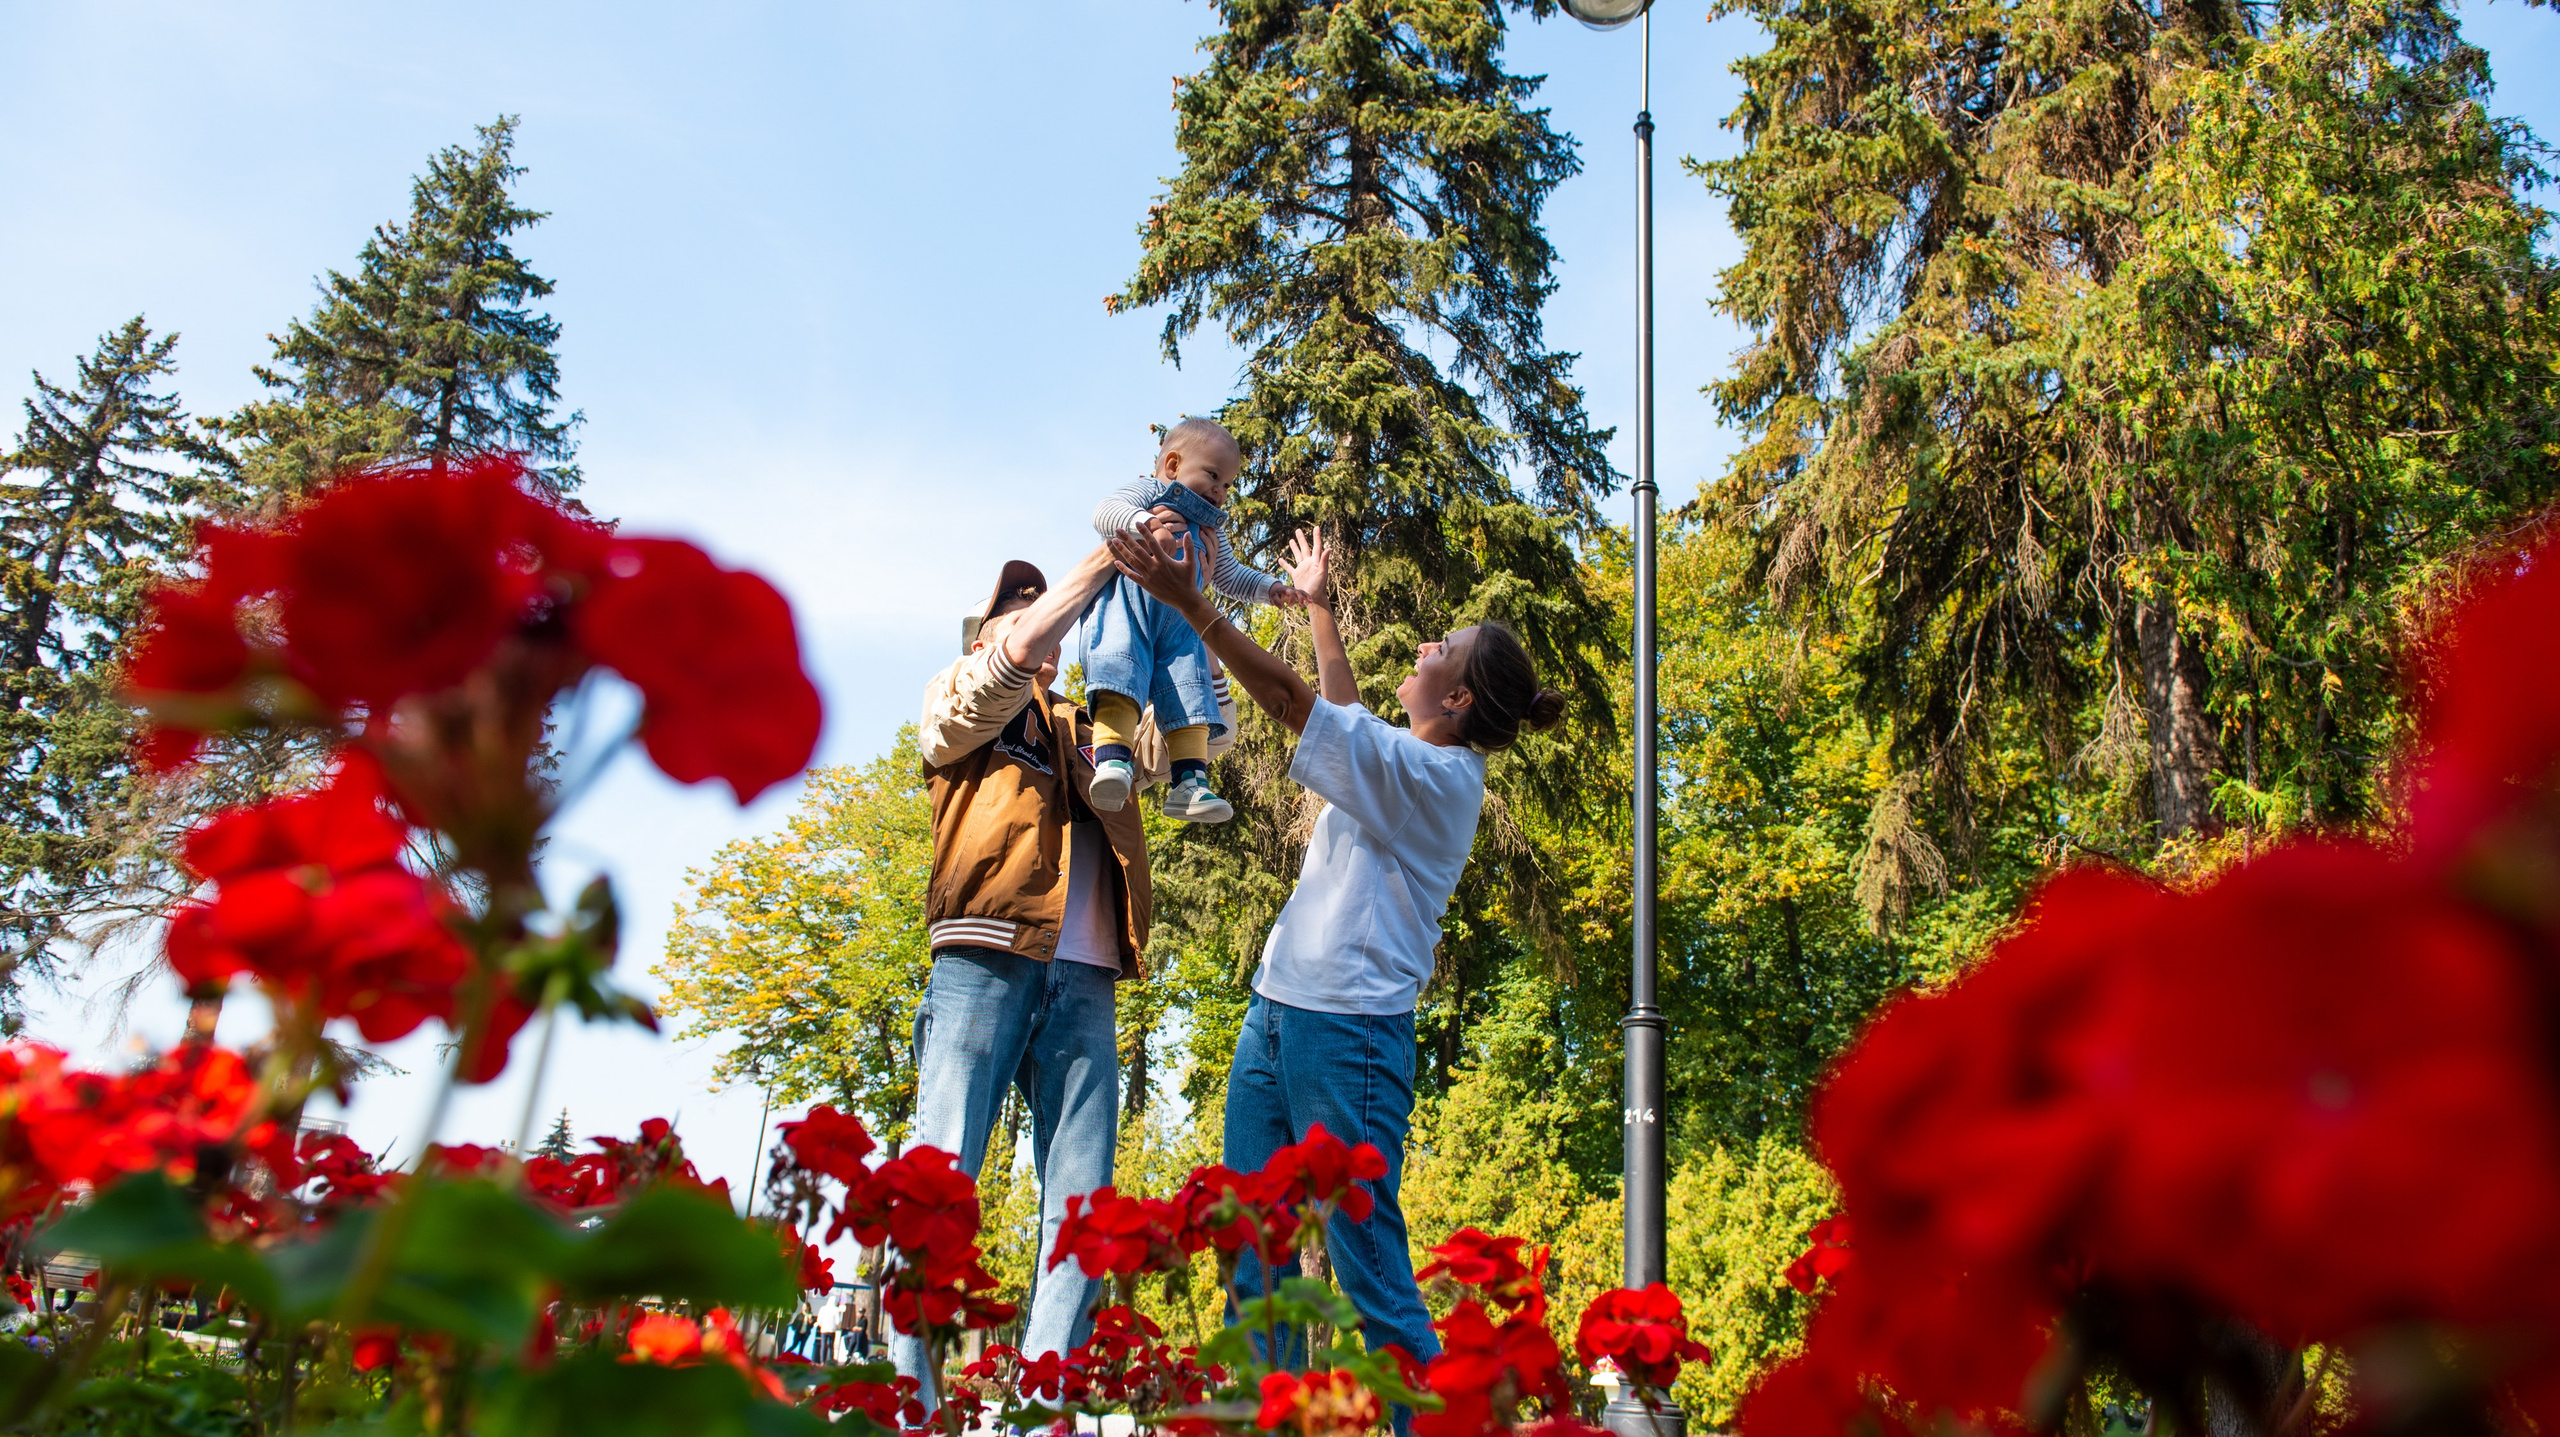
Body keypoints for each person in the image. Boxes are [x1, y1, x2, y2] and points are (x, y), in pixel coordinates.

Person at [1106, 524, 1567, 1415]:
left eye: (1446, 647)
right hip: (1277, 1015)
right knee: (1256, 1262)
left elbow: (1295, 706)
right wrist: (1318, 606)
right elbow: (1344, 719)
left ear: (1460, 695)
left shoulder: (1439, 780)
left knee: (1374, 1279)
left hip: (1351, 1034)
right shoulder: (1404, 760)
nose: (1427, 644)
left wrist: (1190, 602)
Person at [902, 545, 1156, 1404]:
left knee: (1084, 1201)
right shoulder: (962, 691)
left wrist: (1169, 593)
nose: (1043, 616)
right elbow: (1001, 669)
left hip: (1086, 977)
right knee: (942, 1172)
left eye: (1047, 607)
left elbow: (1169, 747)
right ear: (990, 630)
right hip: (985, 952)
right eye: (1022, 607)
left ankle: (1046, 1401)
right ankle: (912, 1400)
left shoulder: (1090, 724)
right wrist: (1103, 560)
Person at [1082, 418, 1307, 824]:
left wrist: (1270, 588)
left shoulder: (1210, 530)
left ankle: (1190, 784)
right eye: (1214, 475)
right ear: (1172, 465)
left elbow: (1230, 575)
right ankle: (1112, 761)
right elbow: (1105, 512)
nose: (1221, 491)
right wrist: (1146, 524)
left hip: (1180, 621)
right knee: (1120, 668)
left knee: (1191, 689)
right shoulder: (1150, 493)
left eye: (1228, 485)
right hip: (1130, 605)